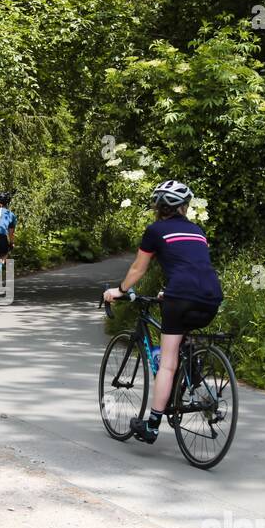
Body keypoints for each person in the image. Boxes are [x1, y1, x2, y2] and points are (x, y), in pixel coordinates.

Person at [103, 179, 223, 443]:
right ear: (183, 206)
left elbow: (138, 268)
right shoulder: (198, 231)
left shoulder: (156, 230)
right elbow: (192, 266)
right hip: (211, 297)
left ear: (159, 205)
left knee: (167, 363)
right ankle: (196, 381)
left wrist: (120, 290)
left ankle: (153, 426)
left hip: (180, 297)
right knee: (184, 342)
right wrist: (170, 292)